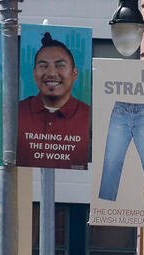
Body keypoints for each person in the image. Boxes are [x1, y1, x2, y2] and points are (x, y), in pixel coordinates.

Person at [16, 32, 91, 169]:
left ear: (75, 73)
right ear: (34, 73)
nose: (51, 73)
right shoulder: (16, 113)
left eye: (60, 65)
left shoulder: (89, 116)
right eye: (43, 66)